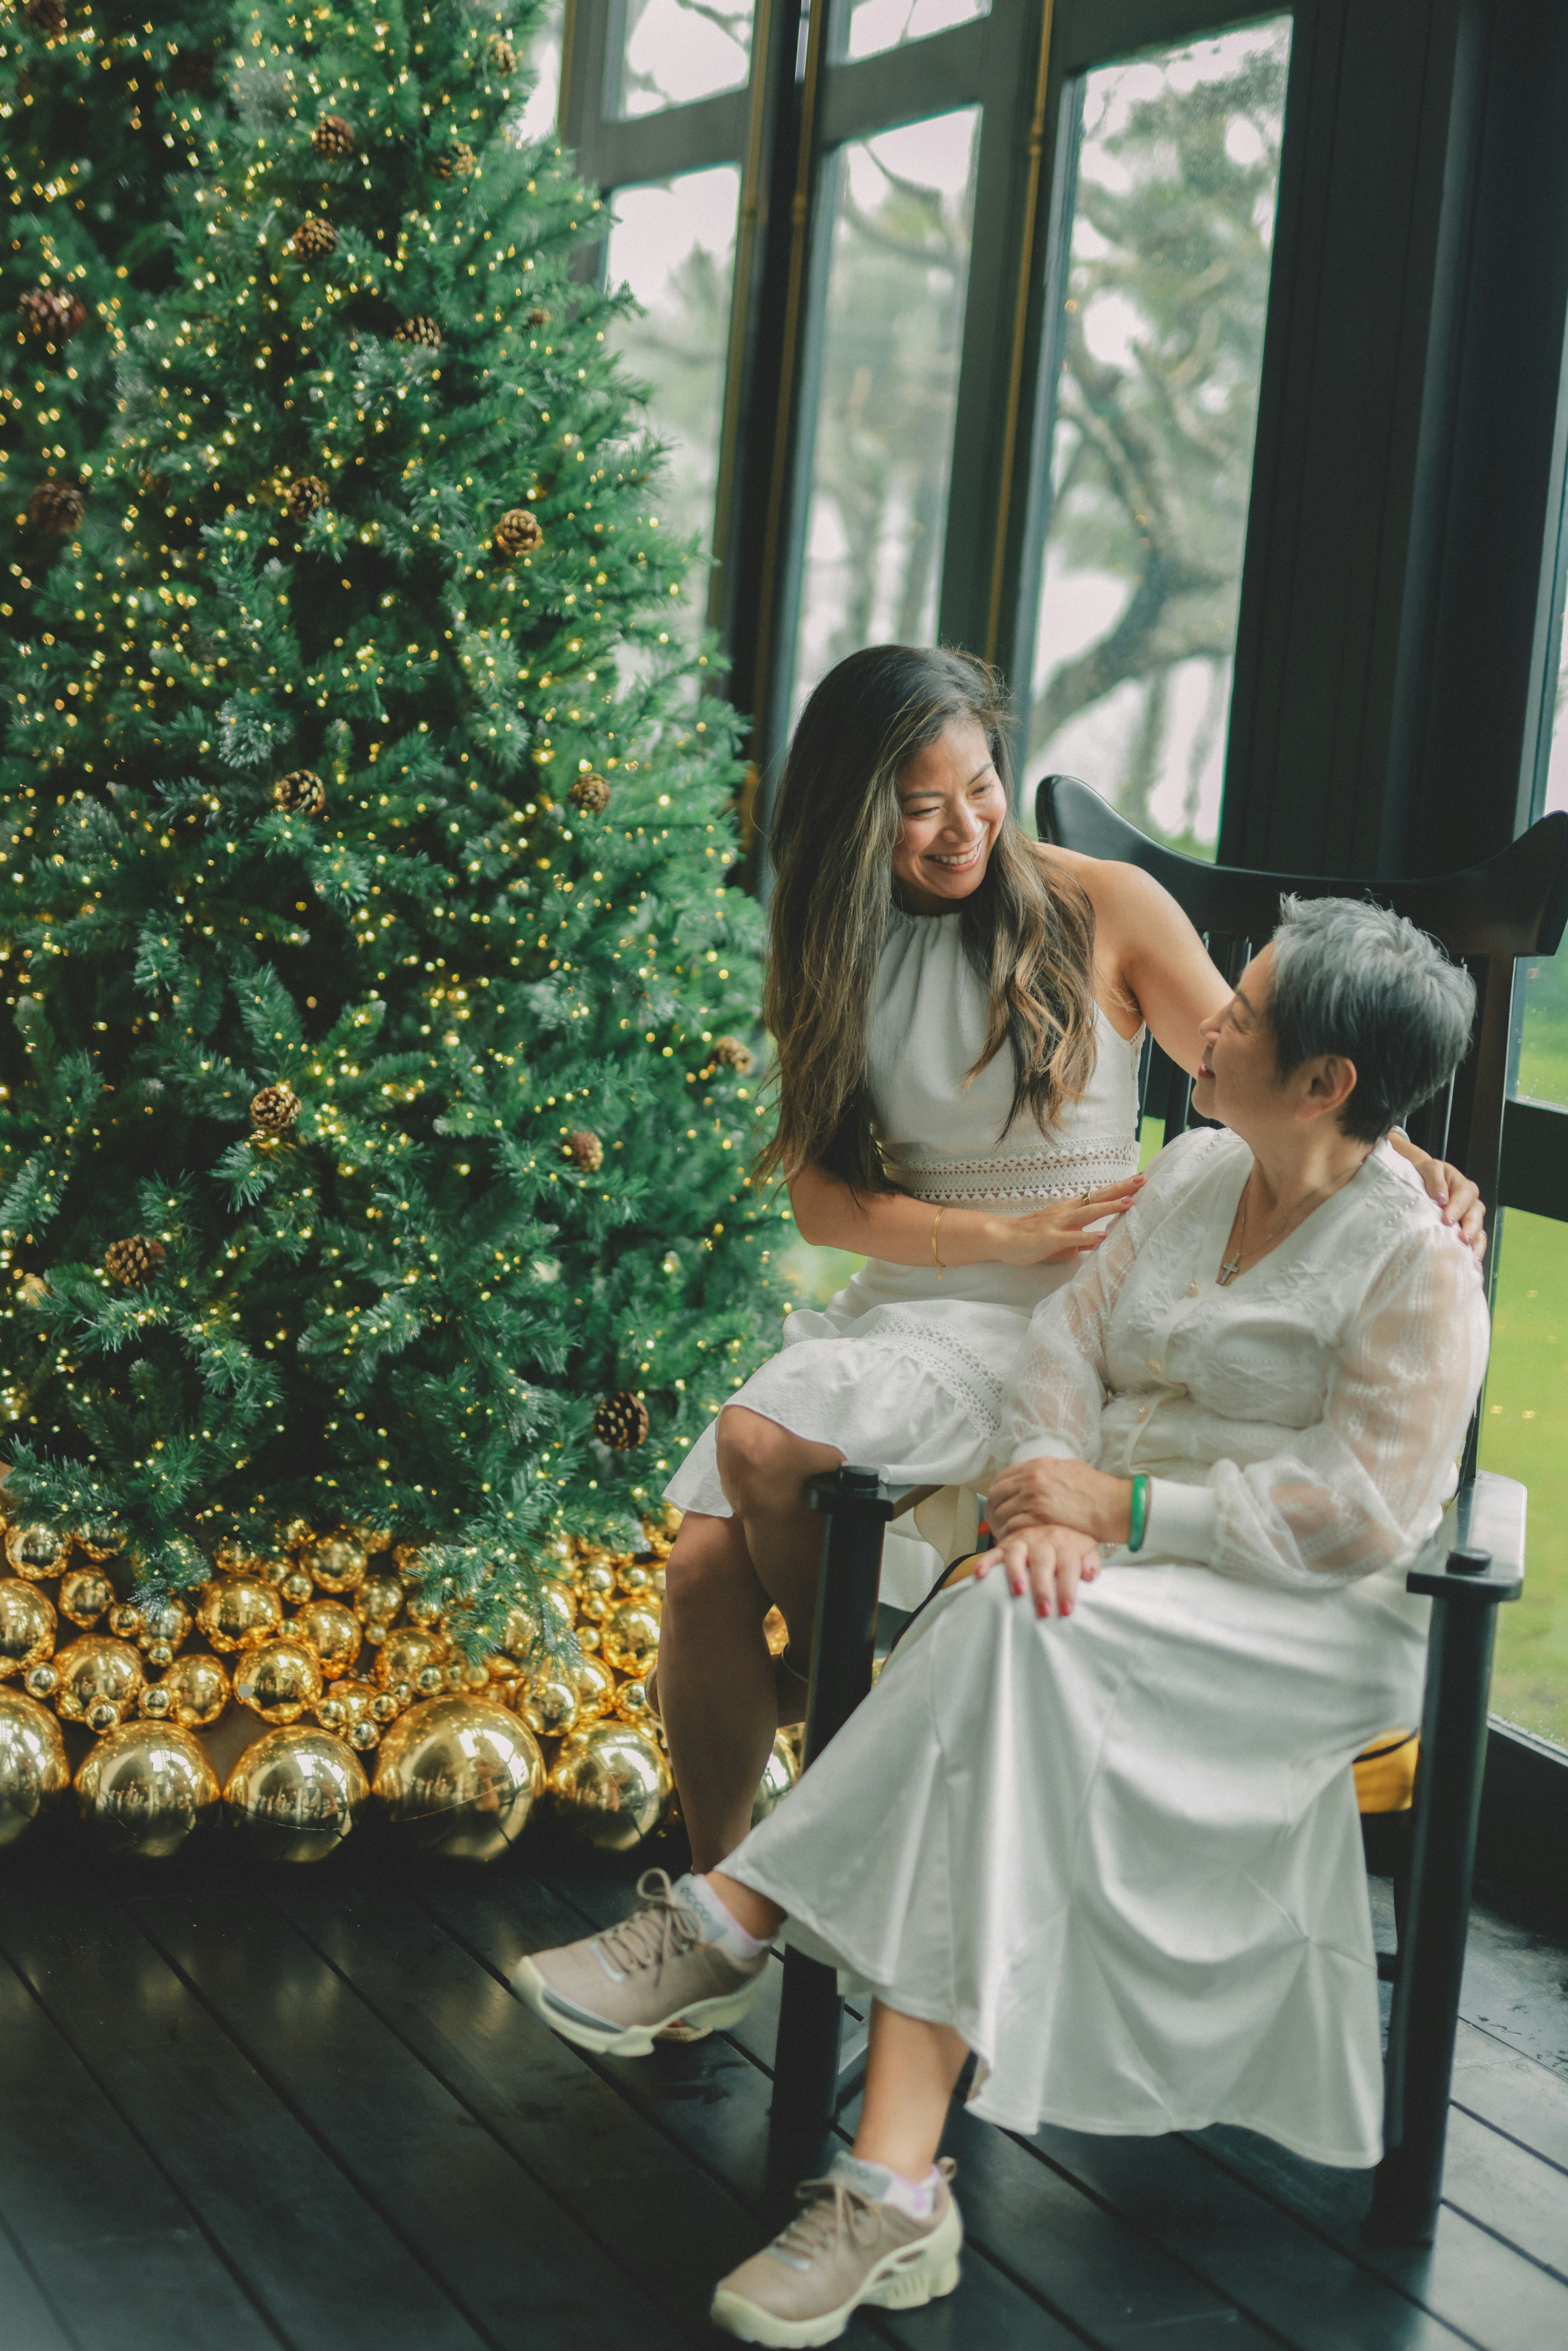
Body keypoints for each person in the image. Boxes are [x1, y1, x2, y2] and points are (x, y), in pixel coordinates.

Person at [514, 896, 1490, 2347]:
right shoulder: (1196, 1172)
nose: (1209, 1018)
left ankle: (739, 1915)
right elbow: (1063, 1344)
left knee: (1001, 1636)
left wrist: (1130, 1516)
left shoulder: (1414, 1264)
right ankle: (891, 2183)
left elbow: (1364, 1507)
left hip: (1292, 1611)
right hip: (1092, 1565)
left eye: (1246, 1011)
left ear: (1328, 1084)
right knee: (1007, 1636)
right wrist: (1039, 1507)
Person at [654, 644, 1484, 1874]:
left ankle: (831, 1782)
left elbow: (1262, 1062)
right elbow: (828, 1209)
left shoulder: (1103, 908)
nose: (960, 830)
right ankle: (731, 1884)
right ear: (848, 808)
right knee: (700, 1564)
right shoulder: (826, 938)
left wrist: (1405, 1151)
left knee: (764, 1451)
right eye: (918, 805)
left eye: (980, 787)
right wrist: (987, 1236)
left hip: (1071, 1311)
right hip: (916, 1290)